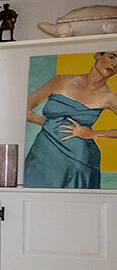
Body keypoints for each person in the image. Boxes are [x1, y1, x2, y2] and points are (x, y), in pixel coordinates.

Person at [24, 51, 117, 188]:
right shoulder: (60, 81)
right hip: (43, 152)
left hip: (80, 159)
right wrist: (49, 123)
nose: (115, 64)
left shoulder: (110, 97)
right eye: (112, 57)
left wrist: (92, 134)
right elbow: (23, 110)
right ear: (98, 55)